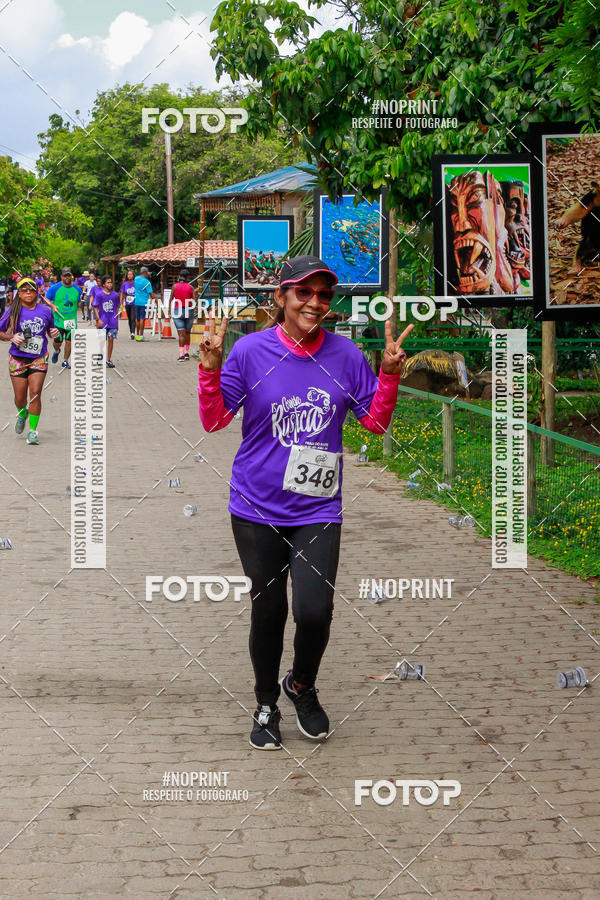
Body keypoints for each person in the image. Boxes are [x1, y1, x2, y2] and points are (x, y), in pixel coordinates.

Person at [197, 255, 413, 750]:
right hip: (255, 506)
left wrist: (389, 376)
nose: (315, 303)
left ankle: (302, 685)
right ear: (281, 298)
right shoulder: (250, 351)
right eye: (303, 293)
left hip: (317, 508)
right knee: (269, 610)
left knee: (314, 611)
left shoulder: (346, 355)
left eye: (323, 295)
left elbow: (374, 424)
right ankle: (267, 702)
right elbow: (213, 421)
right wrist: (209, 370)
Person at [0, 275, 60, 445]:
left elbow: (51, 331)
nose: (27, 292)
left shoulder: (45, 311)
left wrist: (54, 334)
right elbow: (0, 332)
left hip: (38, 358)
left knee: (35, 393)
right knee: (20, 398)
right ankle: (21, 413)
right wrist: (12, 337)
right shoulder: (12, 310)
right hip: (18, 358)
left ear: (36, 292)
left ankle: (33, 431)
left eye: (31, 289)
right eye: (23, 290)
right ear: (18, 293)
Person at [46, 267, 81, 369]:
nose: (67, 277)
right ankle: (57, 351)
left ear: (71, 276)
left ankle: (65, 360)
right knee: (58, 341)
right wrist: (52, 306)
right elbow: (46, 299)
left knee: (69, 341)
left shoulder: (77, 289)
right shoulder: (54, 288)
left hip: (71, 320)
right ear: (61, 276)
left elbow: (78, 302)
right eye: (65, 275)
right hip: (58, 320)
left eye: (69, 275)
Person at [93, 275, 119, 367]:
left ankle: (108, 359)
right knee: (102, 341)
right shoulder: (99, 295)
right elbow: (95, 307)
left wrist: (116, 320)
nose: (110, 284)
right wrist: (98, 319)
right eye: (108, 282)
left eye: (111, 282)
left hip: (112, 322)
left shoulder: (115, 295)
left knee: (111, 339)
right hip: (102, 321)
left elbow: (117, 307)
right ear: (103, 284)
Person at [171, 268, 196, 361]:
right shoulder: (191, 287)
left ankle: (181, 355)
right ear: (187, 277)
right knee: (187, 333)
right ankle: (186, 353)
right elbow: (194, 300)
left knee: (181, 334)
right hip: (188, 310)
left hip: (178, 311)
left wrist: (170, 311)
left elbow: (171, 299)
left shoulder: (174, 286)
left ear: (179, 276)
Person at [133, 266, 154, 341]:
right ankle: (141, 336)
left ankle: (137, 335)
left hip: (136, 301)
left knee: (137, 319)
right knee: (142, 319)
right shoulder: (147, 282)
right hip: (144, 302)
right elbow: (151, 293)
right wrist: (155, 300)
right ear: (145, 272)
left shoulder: (136, 278)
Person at [119, 268, 136, 340]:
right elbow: (122, 294)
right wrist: (121, 304)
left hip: (135, 303)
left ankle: (133, 333)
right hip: (127, 303)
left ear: (133, 275)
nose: (129, 276)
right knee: (129, 318)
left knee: (133, 318)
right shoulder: (124, 284)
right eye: (128, 274)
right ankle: (131, 331)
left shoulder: (136, 283)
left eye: (131, 274)